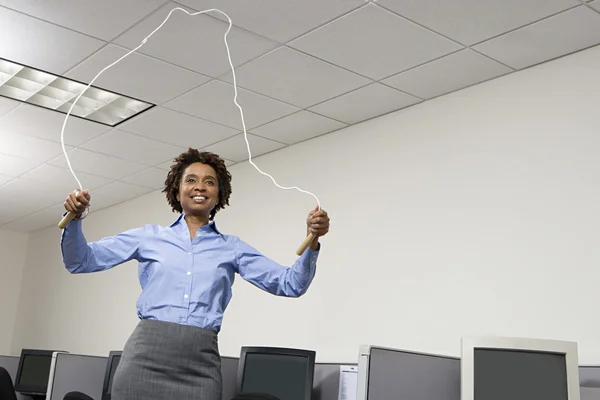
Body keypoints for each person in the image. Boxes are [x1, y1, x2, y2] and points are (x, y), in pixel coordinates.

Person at [60, 149, 330, 400]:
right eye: (191, 180)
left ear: (219, 194)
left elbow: (290, 284)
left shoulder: (231, 247)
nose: (200, 186)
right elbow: (80, 261)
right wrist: (74, 217)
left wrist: (312, 240)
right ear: (177, 190)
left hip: (200, 367)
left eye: (210, 182)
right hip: (143, 362)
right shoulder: (148, 237)